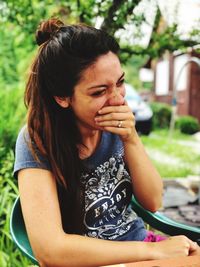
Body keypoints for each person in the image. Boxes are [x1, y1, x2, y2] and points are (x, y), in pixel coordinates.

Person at [14, 18, 199, 267]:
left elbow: (153, 201)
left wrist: (131, 139)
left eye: (120, 83)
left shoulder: (116, 127)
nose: (117, 100)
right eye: (99, 92)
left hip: (141, 249)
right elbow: (51, 251)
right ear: (62, 97)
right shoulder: (37, 139)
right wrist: (154, 252)